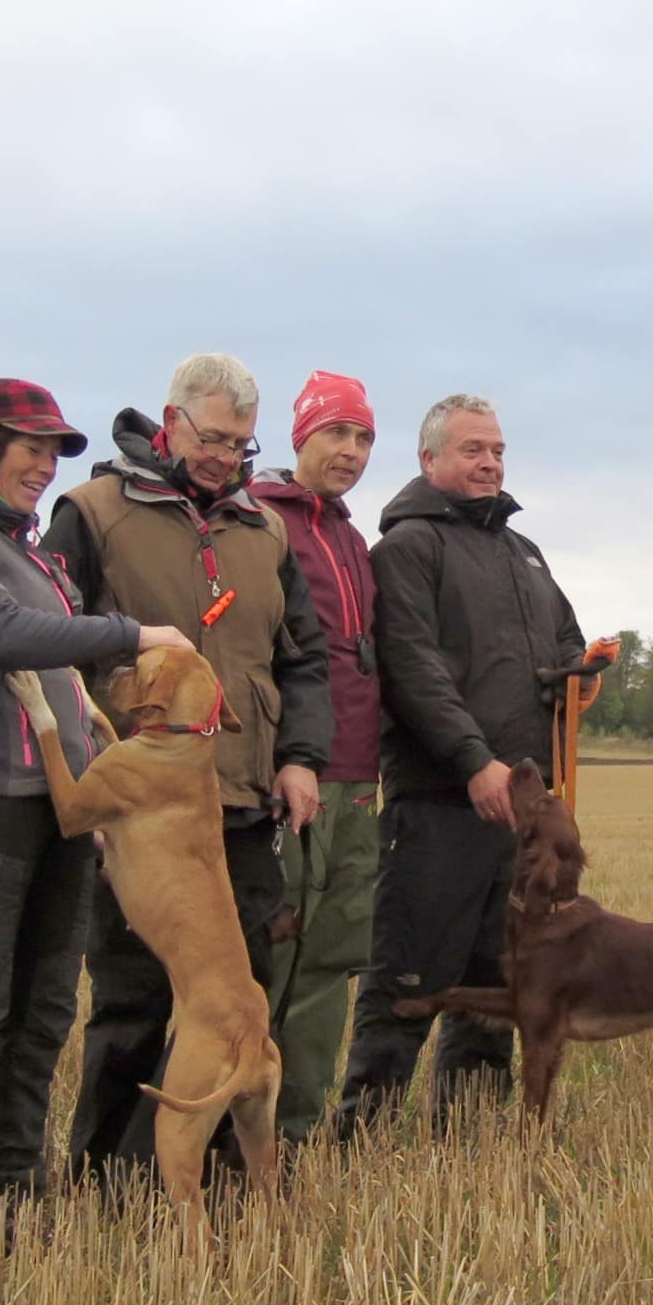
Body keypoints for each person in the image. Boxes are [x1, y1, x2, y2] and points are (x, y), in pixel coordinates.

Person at [0, 379, 192, 1236]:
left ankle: (13, 1194)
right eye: (29, 446)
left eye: (55, 450)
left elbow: (55, 648)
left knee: (45, 1011)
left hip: (60, 815)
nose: (45, 464)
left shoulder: (36, 554)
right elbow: (1, 633)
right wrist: (134, 634)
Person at [43, 353, 332, 1187]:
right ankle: (113, 1184)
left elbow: (303, 657)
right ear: (169, 421)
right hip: (141, 808)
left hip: (241, 801)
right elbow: (51, 635)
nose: (226, 456)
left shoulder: (264, 529)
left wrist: (301, 758)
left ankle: (223, 1179)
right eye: (212, 437)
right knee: (133, 998)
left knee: (243, 999)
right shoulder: (92, 512)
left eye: (242, 444)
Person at [331, 394, 587, 1139]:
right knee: (410, 977)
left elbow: (562, 639)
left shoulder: (523, 553)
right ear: (430, 459)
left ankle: (466, 1138)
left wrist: (580, 670)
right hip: (441, 801)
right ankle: (365, 1136)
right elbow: (414, 669)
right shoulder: (407, 549)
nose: (489, 463)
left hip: (521, 809)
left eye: (498, 450)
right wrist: (476, 762)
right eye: (474, 449)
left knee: (493, 978)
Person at [248, 371, 382, 1149]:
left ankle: (296, 1131)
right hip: (289, 775)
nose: (352, 451)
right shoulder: (262, 521)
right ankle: (246, 1133)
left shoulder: (352, 537)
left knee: (332, 960)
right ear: (301, 437)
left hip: (359, 777)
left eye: (363, 437)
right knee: (276, 956)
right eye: (337, 433)